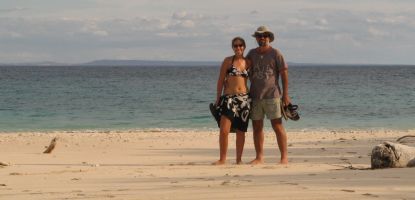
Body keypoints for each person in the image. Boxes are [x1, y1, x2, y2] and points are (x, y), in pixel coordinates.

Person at [246, 26, 290, 165]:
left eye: (265, 36)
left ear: (269, 38)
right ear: (256, 38)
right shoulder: (251, 54)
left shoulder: (276, 53)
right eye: (259, 36)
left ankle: (284, 157)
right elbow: (243, 70)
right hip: (255, 96)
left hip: (273, 95)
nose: (262, 38)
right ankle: (259, 157)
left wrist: (286, 96)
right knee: (257, 128)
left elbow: (284, 75)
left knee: (277, 126)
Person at [212, 37, 251, 165]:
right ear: (233, 47)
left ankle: (238, 160)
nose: (238, 47)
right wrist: (218, 97)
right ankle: (222, 159)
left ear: (244, 47)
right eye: (235, 46)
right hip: (229, 98)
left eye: (240, 45)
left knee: (241, 131)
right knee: (224, 130)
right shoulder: (228, 61)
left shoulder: (249, 62)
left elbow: (256, 79)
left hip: (244, 99)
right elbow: (220, 80)